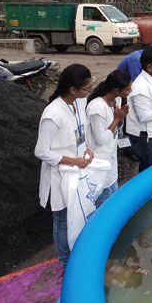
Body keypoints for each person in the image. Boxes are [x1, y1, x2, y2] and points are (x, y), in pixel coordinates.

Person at [35, 64, 95, 265]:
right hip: (60, 173)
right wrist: (73, 160)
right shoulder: (53, 114)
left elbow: (80, 130)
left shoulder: (79, 103)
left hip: (77, 170)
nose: (89, 89)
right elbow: (41, 151)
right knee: (62, 220)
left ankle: (77, 251)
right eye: (86, 87)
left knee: (78, 211)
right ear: (72, 89)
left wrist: (86, 148)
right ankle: (64, 260)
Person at [86, 70, 132, 208]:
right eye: (128, 88)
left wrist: (120, 119)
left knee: (113, 199)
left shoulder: (116, 100)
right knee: (103, 206)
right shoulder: (97, 107)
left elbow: (116, 130)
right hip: (99, 161)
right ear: (117, 89)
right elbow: (101, 139)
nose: (131, 91)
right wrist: (117, 118)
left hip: (110, 159)